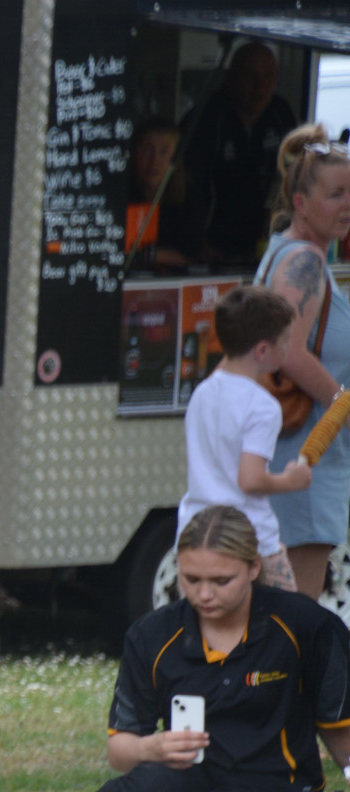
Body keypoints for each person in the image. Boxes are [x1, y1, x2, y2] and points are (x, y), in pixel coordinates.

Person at [0, 506, 350, 792]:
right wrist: (150, 747)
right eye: (191, 579)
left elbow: (341, 732)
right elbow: (120, 751)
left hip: (274, 789)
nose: (204, 594)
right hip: (186, 773)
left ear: (253, 568)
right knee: (150, 785)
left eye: (221, 580)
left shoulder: (305, 626)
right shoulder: (152, 635)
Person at [257, 130, 350, 598]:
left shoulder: (282, 251)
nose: (347, 205)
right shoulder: (305, 263)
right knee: (295, 618)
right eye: (336, 194)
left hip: (292, 458)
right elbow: (289, 350)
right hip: (305, 458)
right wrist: (340, 404)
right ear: (300, 201)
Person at [179, 285, 306, 591]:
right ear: (262, 350)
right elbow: (250, 480)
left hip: (195, 536)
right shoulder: (262, 406)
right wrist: (291, 481)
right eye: (286, 341)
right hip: (250, 540)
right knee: (280, 627)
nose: (289, 348)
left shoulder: (202, 393)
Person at [184, 43, 299, 266]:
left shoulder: (281, 114)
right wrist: (196, 241)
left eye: (269, 77)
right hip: (213, 247)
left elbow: (296, 177)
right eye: (251, 78)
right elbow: (187, 187)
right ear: (230, 78)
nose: (261, 87)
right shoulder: (207, 117)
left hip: (267, 243)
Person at [125, 120, 197, 273]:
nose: (154, 161)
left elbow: (188, 255)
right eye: (147, 150)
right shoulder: (122, 197)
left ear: (176, 159)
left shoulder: (188, 198)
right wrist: (157, 256)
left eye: (164, 152)